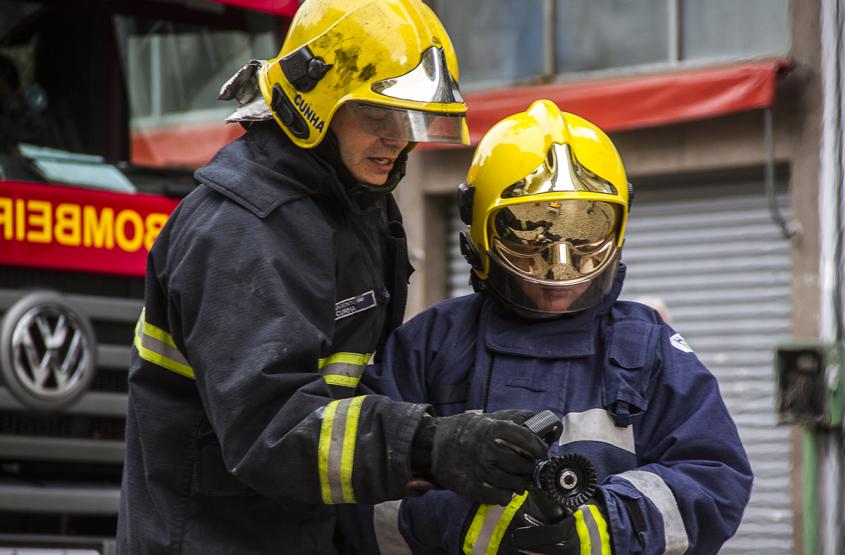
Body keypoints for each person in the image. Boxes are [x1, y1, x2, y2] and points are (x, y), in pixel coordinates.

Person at [116, 1, 548, 552]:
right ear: (314, 106)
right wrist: (428, 445)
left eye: (411, 119)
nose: (398, 139)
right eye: (378, 116)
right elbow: (270, 427)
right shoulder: (243, 231)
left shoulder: (351, 204)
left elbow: (350, 389)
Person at [341, 99, 753, 554]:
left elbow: (714, 482)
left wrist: (592, 530)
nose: (559, 270)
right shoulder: (430, 343)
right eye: (528, 235)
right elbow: (358, 490)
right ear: (481, 231)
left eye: (585, 236)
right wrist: (468, 526)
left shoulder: (647, 346)